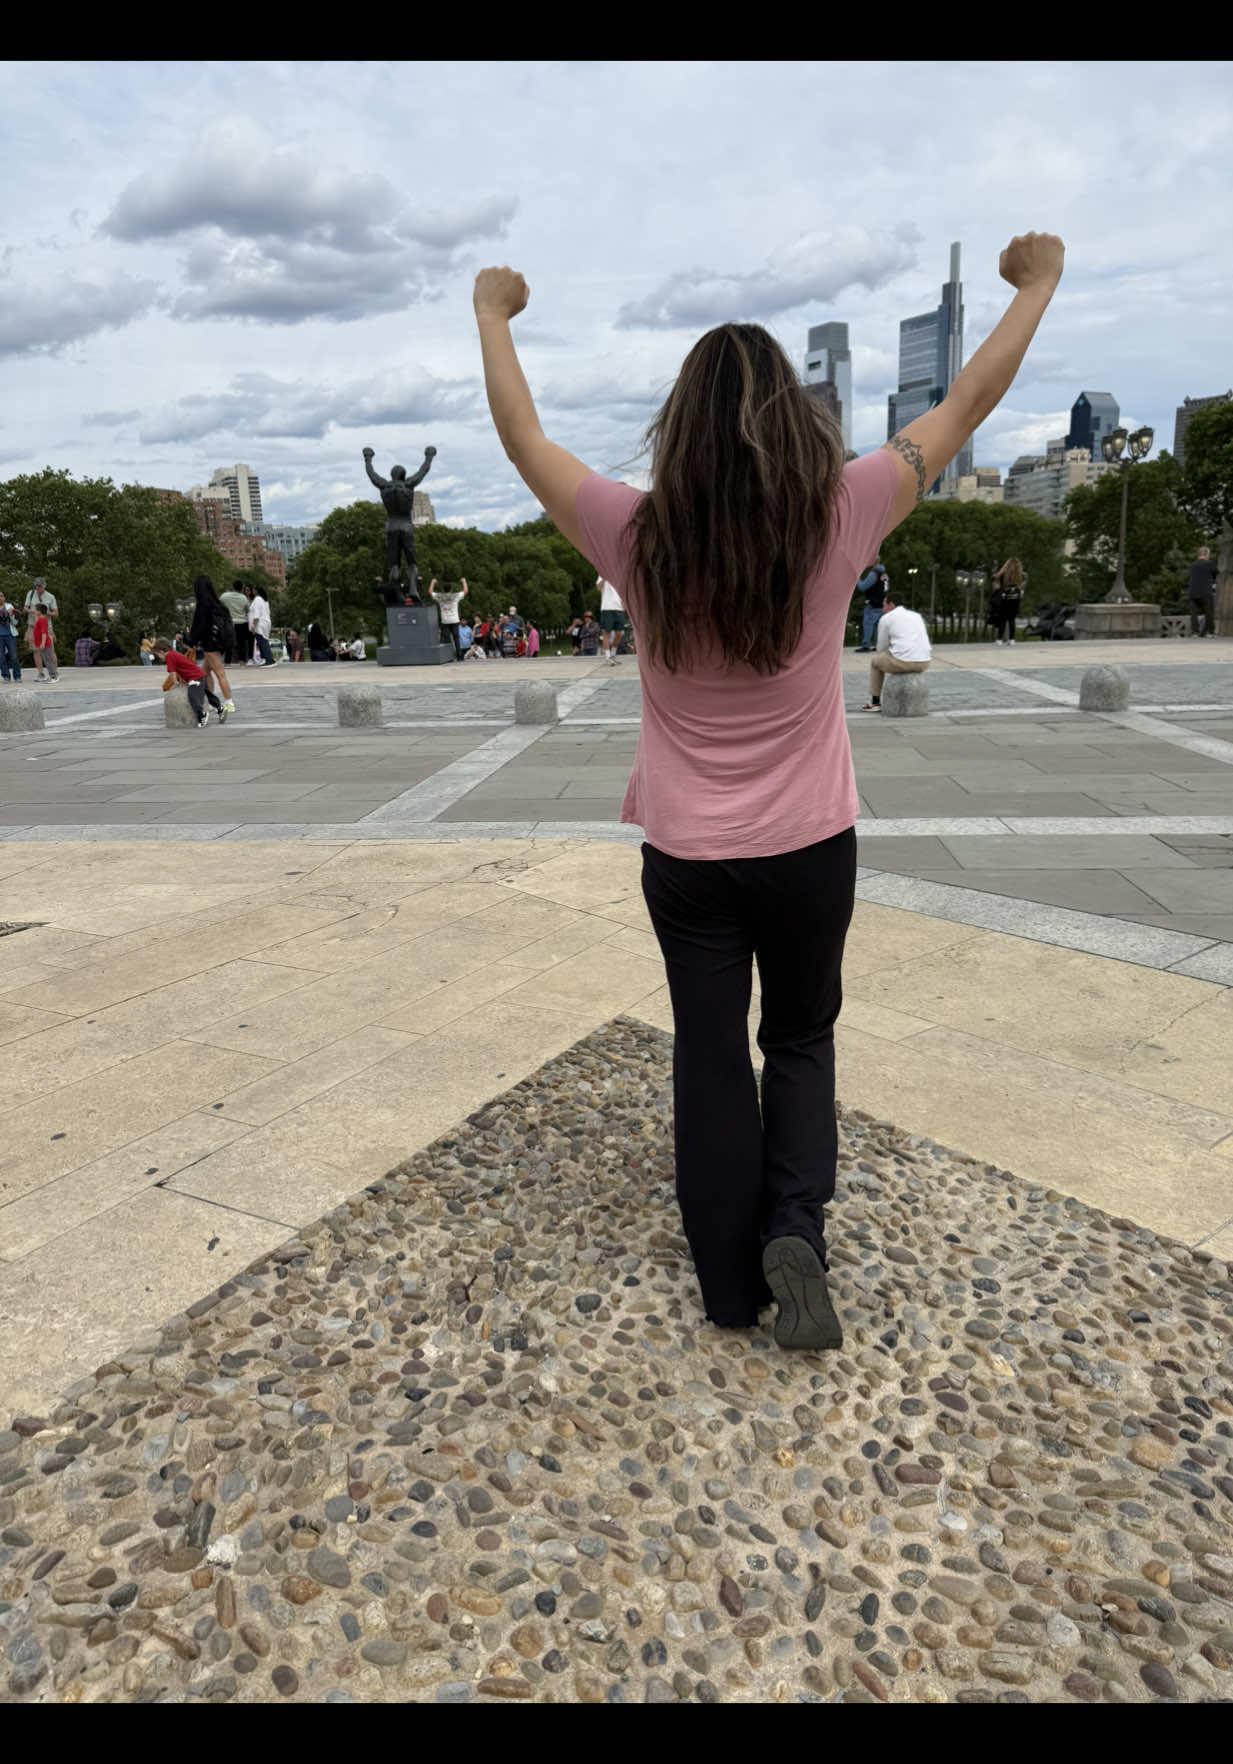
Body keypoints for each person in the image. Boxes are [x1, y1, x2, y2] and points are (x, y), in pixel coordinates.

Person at [472, 232, 1064, 1347]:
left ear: (676, 431)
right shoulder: (842, 512)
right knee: (799, 1037)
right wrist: (1039, 286)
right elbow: (971, 401)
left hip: (689, 858)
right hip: (809, 848)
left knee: (708, 1051)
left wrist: (494, 313)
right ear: (794, 419)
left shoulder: (634, 534)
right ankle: (795, 1224)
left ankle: (728, 1290)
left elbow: (522, 438)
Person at [862, 590, 932, 710]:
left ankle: (875, 702)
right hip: (924, 662)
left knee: (875, 661)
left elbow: (881, 647)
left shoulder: (886, 618)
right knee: (890, 656)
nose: (882, 609)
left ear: (891, 605)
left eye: (884, 605)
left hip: (902, 662)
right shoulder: (916, 616)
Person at [187, 575, 236, 714]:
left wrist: (191, 641)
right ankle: (212, 703)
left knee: (220, 674)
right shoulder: (219, 605)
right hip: (220, 644)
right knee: (204, 673)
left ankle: (229, 703)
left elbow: (199, 627)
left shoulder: (203, 606)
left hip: (209, 645)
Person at [155, 638, 225, 725]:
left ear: (161, 651)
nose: (158, 657)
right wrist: (181, 681)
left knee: (193, 696)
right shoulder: (174, 654)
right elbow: (179, 669)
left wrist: (176, 684)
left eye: (157, 654)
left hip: (195, 678)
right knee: (207, 694)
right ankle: (220, 708)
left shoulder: (169, 656)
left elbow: (172, 673)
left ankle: (202, 715)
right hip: (200, 675)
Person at [24, 578, 58, 675]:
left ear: (44, 586)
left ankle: (54, 672)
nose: (37, 587)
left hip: (46, 626)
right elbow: (25, 608)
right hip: (33, 626)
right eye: (36, 585)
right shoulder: (30, 594)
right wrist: (32, 611)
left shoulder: (50, 597)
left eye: (39, 586)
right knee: (36, 650)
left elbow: (56, 613)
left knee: (50, 651)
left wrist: (45, 612)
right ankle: (40, 673)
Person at [429, 576, 468, 659]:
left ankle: (444, 656)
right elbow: (465, 591)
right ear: (451, 589)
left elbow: (430, 592)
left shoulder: (440, 596)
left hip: (445, 621)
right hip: (454, 620)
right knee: (456, 638)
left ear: (443, 590)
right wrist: (464, 581)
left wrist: (433, 582)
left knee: (445, 639)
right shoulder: (455, 596)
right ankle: (459, 656)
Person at [854, 559, 888, 651]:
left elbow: (862, 587)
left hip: (873, 603)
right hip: (882, 603)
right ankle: (878, 645)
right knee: (877, 625)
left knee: (868, 623)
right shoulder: (884, 573)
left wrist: (856, 577)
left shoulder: (874, 573)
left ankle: (866, 645)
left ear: (873, 561)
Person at [990, 557, 1024, 644]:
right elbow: (1022, 586)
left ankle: (999, 639)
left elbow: (995, 582)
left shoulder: (1003, 574)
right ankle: (1012, 639)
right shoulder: (1020, 575)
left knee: (1003, 619)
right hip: (1016, 599)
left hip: (1005, 598)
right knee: (1012, 619)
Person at [1188, 545, 1219, 637]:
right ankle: (1210, 632)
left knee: (1194, 613)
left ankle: (1195, 632)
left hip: (1193, 592)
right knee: (1209, 611)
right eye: (1209, 554)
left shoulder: (1193, 565)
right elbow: (1216, 573)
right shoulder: (1209, 564)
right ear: (1206, 554)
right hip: (1205, 592)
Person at [222, 580, 253, 665]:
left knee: (229, 642)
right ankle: (242, 661)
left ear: (233, 587)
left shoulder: (225, 596)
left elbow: (220, 603)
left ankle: (227, 661)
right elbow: (247, 610)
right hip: (242, 622)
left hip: (229, 621)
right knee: (241, 643)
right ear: (242, 588)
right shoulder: (244, 598)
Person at [598, 576, 627, 664]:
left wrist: (624, 604)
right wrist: (605, 577)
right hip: (607, 608)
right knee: (606, 633)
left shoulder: (618, 576)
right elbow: (599, 587)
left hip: (619, 609)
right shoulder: (601, 575)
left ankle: (613, 655)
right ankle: (607, 657)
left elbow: (622, 592)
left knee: (619, 633)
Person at [31, 607, 58, 681]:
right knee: (46, 660)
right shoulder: (40, 619)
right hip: (41, 644)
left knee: (48, 660)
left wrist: (43, 643)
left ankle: (53, 677)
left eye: (36, 610)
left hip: (45, 644)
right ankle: (51, 675)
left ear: (39, 611)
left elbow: (44, 633)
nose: (34, 611)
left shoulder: (42, 620)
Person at [248, 587, 274, 666]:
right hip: (263, 623)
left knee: (263, 642)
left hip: (260, 624)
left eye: (253, 590)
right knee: (262, 642)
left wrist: (253, 626)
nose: (252, 591)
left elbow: (256, 614)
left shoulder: (257, 600)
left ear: (256, 591)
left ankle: (269, 661)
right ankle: (268, 660)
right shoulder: (262, 600)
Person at [0, 593, 22, 682]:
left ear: (4, 598)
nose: (0, 598)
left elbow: (15, 623)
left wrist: (11, 615)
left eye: (1, 596)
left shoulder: (9, 606)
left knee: (13, 656)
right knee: (1, 657)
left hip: (10, 634)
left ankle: (17, 676)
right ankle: (6, 676)